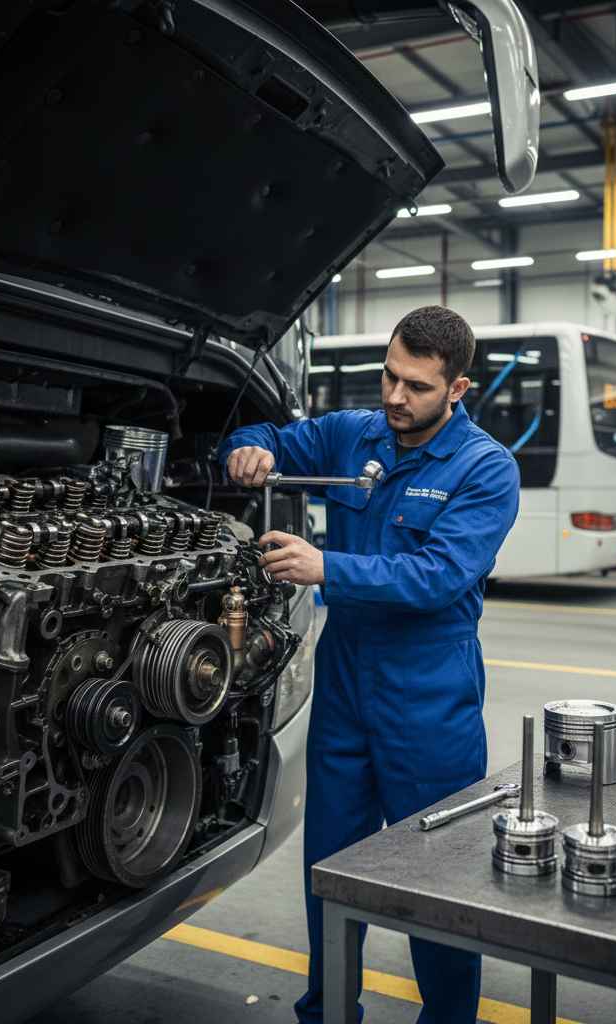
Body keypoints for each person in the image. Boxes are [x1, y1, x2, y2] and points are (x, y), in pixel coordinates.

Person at [222, 305, 520, 1023]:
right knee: (328, 869)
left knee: (436, 883)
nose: (394, 397)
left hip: (430, 696)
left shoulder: (486, 469)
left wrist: (326, 566)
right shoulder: (355, 433)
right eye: (389, 376)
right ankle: (327, 1012)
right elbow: (267, 433)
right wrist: (247, 449)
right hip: (348, 686)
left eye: (416, 386)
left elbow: (437, 576)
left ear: (458, 390)